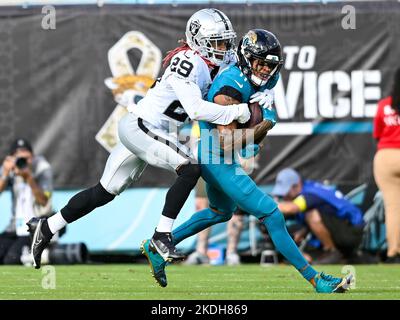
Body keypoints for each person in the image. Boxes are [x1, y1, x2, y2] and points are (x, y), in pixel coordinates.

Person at [28, 8, 252, 269]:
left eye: (226, 41)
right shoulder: (189, 62)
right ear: (198, 41)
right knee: (189, 168)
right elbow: (195, 110)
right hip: (142, 126)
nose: (223, 48)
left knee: (104, 192)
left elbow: (238, 74)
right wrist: (238, 111)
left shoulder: (216, 64)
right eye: (217, 42)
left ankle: (47, 226)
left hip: (152, 131)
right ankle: (161, 237)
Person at [141, 29, 352, 293]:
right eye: (260, 63)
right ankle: (315, 279)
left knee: (221, 212)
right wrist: (265, 122)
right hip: (216, 157)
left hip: (221, 156)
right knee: (272, 214)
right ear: (246, 59)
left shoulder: (265, 78)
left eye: (270, 65)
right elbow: (227, 141)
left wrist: (266, 107)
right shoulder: (228, 88)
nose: (265, 70)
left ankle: (156, 246)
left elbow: (251, 137)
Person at [271, 168, 364, 264]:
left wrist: (266, 206)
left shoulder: (310, 193)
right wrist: (304, 230)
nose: (285, 197)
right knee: (303, 257)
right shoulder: (310, 188)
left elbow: (292, 208)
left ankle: (332, 252)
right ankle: (346, 256)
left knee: (311, 215)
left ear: (297, 185)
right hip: (342, 228)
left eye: (286, 192)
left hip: (351, 231)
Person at [0, 138, 53, 264]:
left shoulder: (42, 167)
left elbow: (43, 201)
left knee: (11, 260)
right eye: (20, 159)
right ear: (12, 158)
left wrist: (29, 177)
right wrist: (5, 174)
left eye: (27, 158)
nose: (24, 162)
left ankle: (40, 253)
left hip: (36, 224)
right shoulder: (10, 168)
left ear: (33, 157)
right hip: (15, 226)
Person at [373, 67, 400, 263]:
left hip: (385, 157)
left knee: (393, 208)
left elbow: (377, 134)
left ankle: (393, 252)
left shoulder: (384, 105)